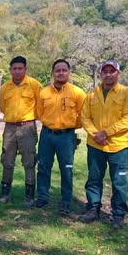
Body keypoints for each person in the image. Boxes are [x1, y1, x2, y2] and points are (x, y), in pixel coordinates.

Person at [80, 59, 128, 228]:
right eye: (105, 71)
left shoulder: (127, 93)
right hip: (96, 144)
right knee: (94, 178)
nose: (108, 74)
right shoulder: (92, 95)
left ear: (118, 73)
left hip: (118, 145)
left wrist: (107, 133)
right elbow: (85, 117)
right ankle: (93, 208)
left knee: (119, 181)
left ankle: (118, 214)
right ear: (100, 74)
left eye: (112, 71)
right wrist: (96, 134)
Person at [35, 59, 87, 215]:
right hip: (47, 135)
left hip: (66, 136)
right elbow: (39, 112)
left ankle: (66, 200)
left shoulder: (77, 92)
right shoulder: (44, 92)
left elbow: (83, 114)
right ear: (53, 73)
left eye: (64, 70)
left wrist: (71, 126)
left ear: (69, 72)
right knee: (43, 166)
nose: (61, 73)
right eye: (57, 70)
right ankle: (43, 196)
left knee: (66, 168)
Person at [0, 55, 43, 206]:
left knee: (29, 161)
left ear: (25, 69)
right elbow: (3, 107)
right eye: (14, 69)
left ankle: (29, 196)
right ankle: (5, 193)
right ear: (10, 70)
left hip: (27, 127)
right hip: (10, 128)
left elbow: (40, 105)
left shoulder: (34, 85)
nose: (17, 71)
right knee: (7, 160)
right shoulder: (5, 87)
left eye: (20, 68)